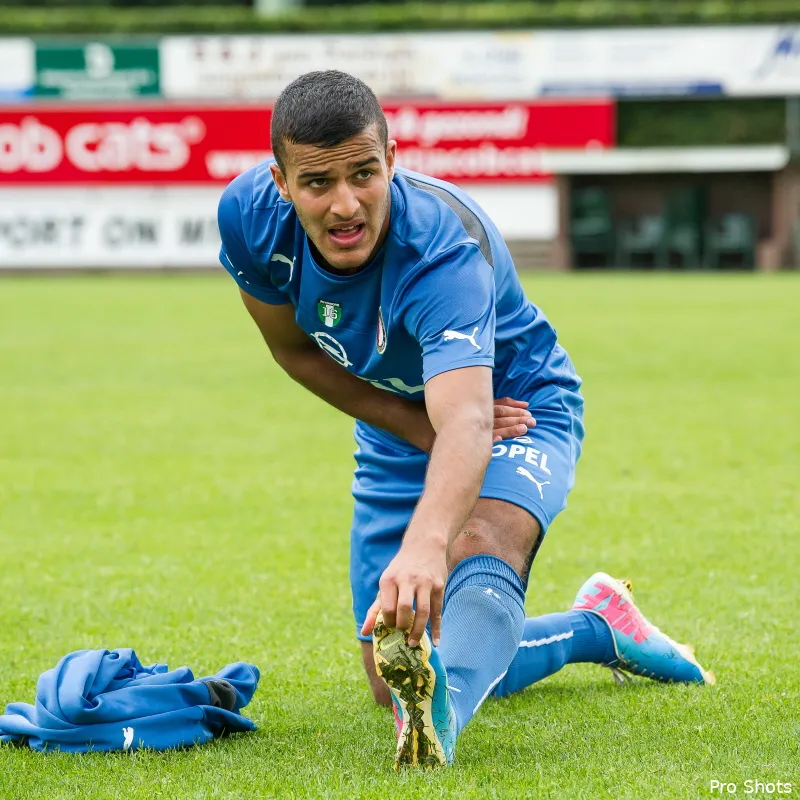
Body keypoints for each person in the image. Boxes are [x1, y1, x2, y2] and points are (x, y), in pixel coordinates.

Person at [217, 70, 714, 770]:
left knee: (480, 540)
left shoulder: (442, 253)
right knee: (391, 682)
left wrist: (430, 541)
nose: (345, 204)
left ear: (392, 158)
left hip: (515, 406)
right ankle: (594, 627)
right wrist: (411, 428)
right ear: (280, 182)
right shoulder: (248, 219)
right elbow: (293, 350)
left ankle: (437, 734)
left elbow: (471, 424)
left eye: (365, 173)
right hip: (401, 420)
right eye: (317, 183)